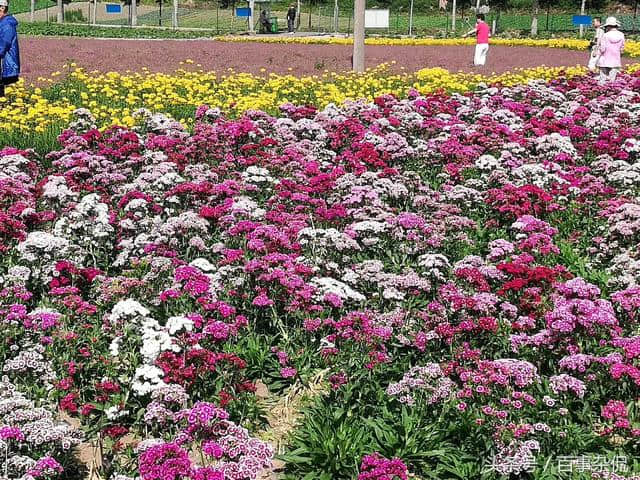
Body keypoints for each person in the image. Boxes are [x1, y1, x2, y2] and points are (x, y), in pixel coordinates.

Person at [0, 0, 20, 97]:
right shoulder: (3, 23)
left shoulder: (7, 24)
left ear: (2, 8)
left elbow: (3, 45)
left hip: (4, 63)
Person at [598, 16, 625, 84]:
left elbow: (602, 49)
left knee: (602, 80)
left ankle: (601, 92)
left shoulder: (605, 35)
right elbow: (622, 48)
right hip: (615, 60)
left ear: (608, 26)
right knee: (612, 81)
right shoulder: (621, 35)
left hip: (604, 60)